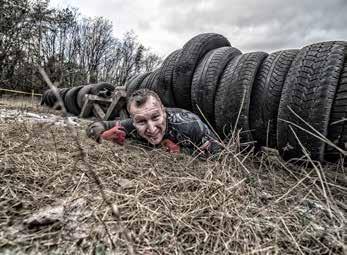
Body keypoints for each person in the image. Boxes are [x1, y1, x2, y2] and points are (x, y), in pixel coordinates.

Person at [86, 89, 222, 157]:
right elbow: (93, 127)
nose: (151, 129)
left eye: (156, 117)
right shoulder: (130, 125)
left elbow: (219, 152)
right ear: (133, 120)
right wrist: (103, 135)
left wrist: (183, 151)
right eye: (141, 122)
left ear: (163, 111)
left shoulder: (190, 124)